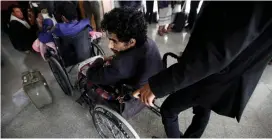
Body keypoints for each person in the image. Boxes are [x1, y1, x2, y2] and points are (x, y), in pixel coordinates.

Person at [133, 2, 272, 138]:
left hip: (211, 75)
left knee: (169, 109)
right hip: (220, 75)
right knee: (203, 110)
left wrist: (159, 85)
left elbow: (219, 52)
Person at [86, 7, 163, 119]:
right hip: (154, 84)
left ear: (131, 42)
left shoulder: (120, 66)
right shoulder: (147, 41)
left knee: (91, 81)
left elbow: (92, 75)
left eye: (114, 41)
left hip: (133, 98)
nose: (109, 46)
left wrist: (100, 60)